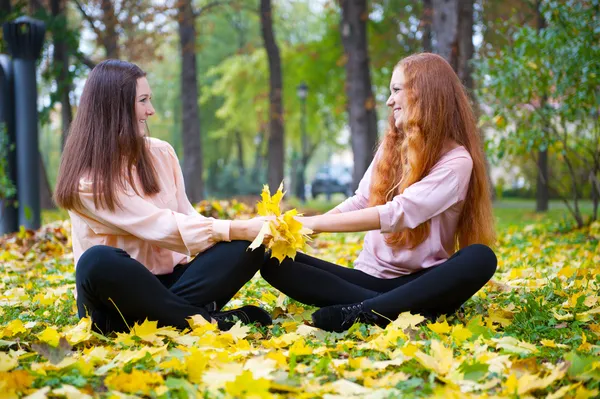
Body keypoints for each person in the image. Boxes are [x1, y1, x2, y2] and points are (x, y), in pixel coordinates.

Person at [261, 53, 497, 332]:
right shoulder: (391, 146)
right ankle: (396, 309)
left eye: (397, 90)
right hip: (368, 278)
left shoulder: (457, 161)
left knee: (480, 258)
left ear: (426, 94)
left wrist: (312, 222)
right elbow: (362, 200)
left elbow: (399, 213)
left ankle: (365, 311)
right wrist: (304, 230)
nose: (389, 101)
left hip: (424, 282)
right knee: (273, 262)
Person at [54, 59, 271, 335]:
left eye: (150, 99)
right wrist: (236, 227)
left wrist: (242, 235)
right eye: (143, 100)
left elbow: (186, 216)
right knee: (96, 261)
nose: (151, 110)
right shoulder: (87, 180)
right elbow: (159, 226)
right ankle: (208, 321)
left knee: (245, 247)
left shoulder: (161, 153)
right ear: (114, 108)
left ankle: (162, 319)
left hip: (172, 284)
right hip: (116, 296)